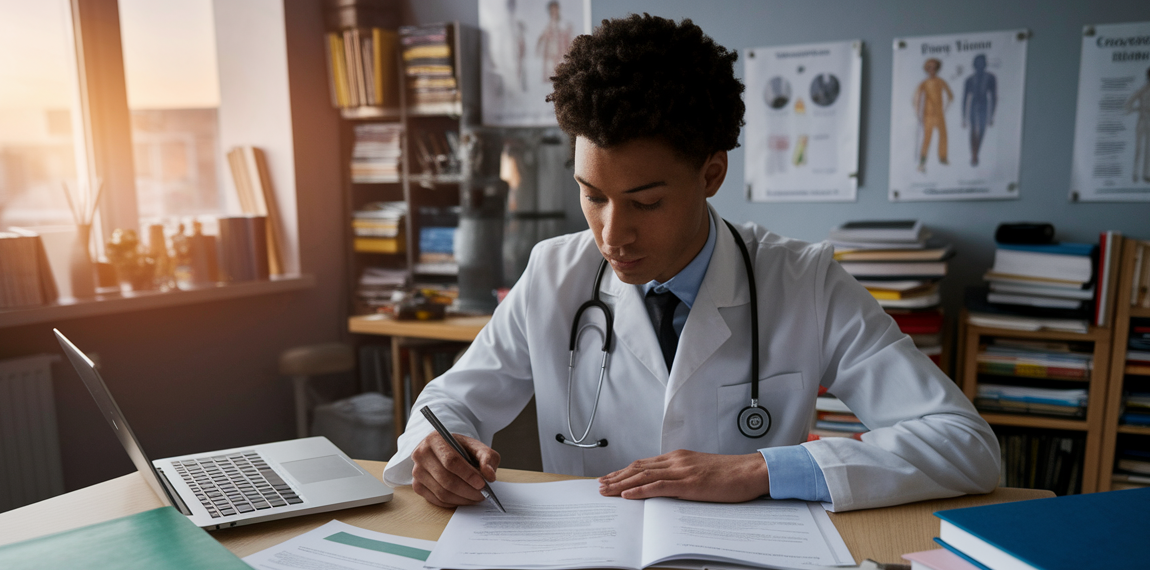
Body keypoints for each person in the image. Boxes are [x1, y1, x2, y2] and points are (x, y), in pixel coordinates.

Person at [384, 14, 999, 511]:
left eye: (645, 202)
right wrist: (435, 449)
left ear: (711, 173)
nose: (611, 233)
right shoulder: (553, 272)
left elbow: (966, 445)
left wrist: (762, 470)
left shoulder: (803, 280)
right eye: (592, 195)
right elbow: (446, 407)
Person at [913, 58, 953, 173]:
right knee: (927, 138)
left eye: (934, 67)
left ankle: (943, 158)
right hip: (928, 115)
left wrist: (944, 109)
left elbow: (950, 96)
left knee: (943, 135)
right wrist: (918, 113)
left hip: (939, 114)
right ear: (926, 69)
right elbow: (916, 98)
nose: (932, 70)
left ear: (937, 68)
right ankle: (922, 161)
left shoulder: (940, 81)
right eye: (929, 67)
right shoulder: (924, 83)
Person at [962, 54, 997, 167]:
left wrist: (991, 115)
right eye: (977, 63)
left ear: (985, 64)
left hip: (984, 106)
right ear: (974, 65)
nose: (980, 66)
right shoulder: (969, 80)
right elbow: (965, 98)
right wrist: (964, 117)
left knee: (981, 130)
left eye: (982, 63)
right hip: (973, 106)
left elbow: (993, 97)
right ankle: (974, 155)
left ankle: (977, 153)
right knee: (973, 130)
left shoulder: (991, 78)